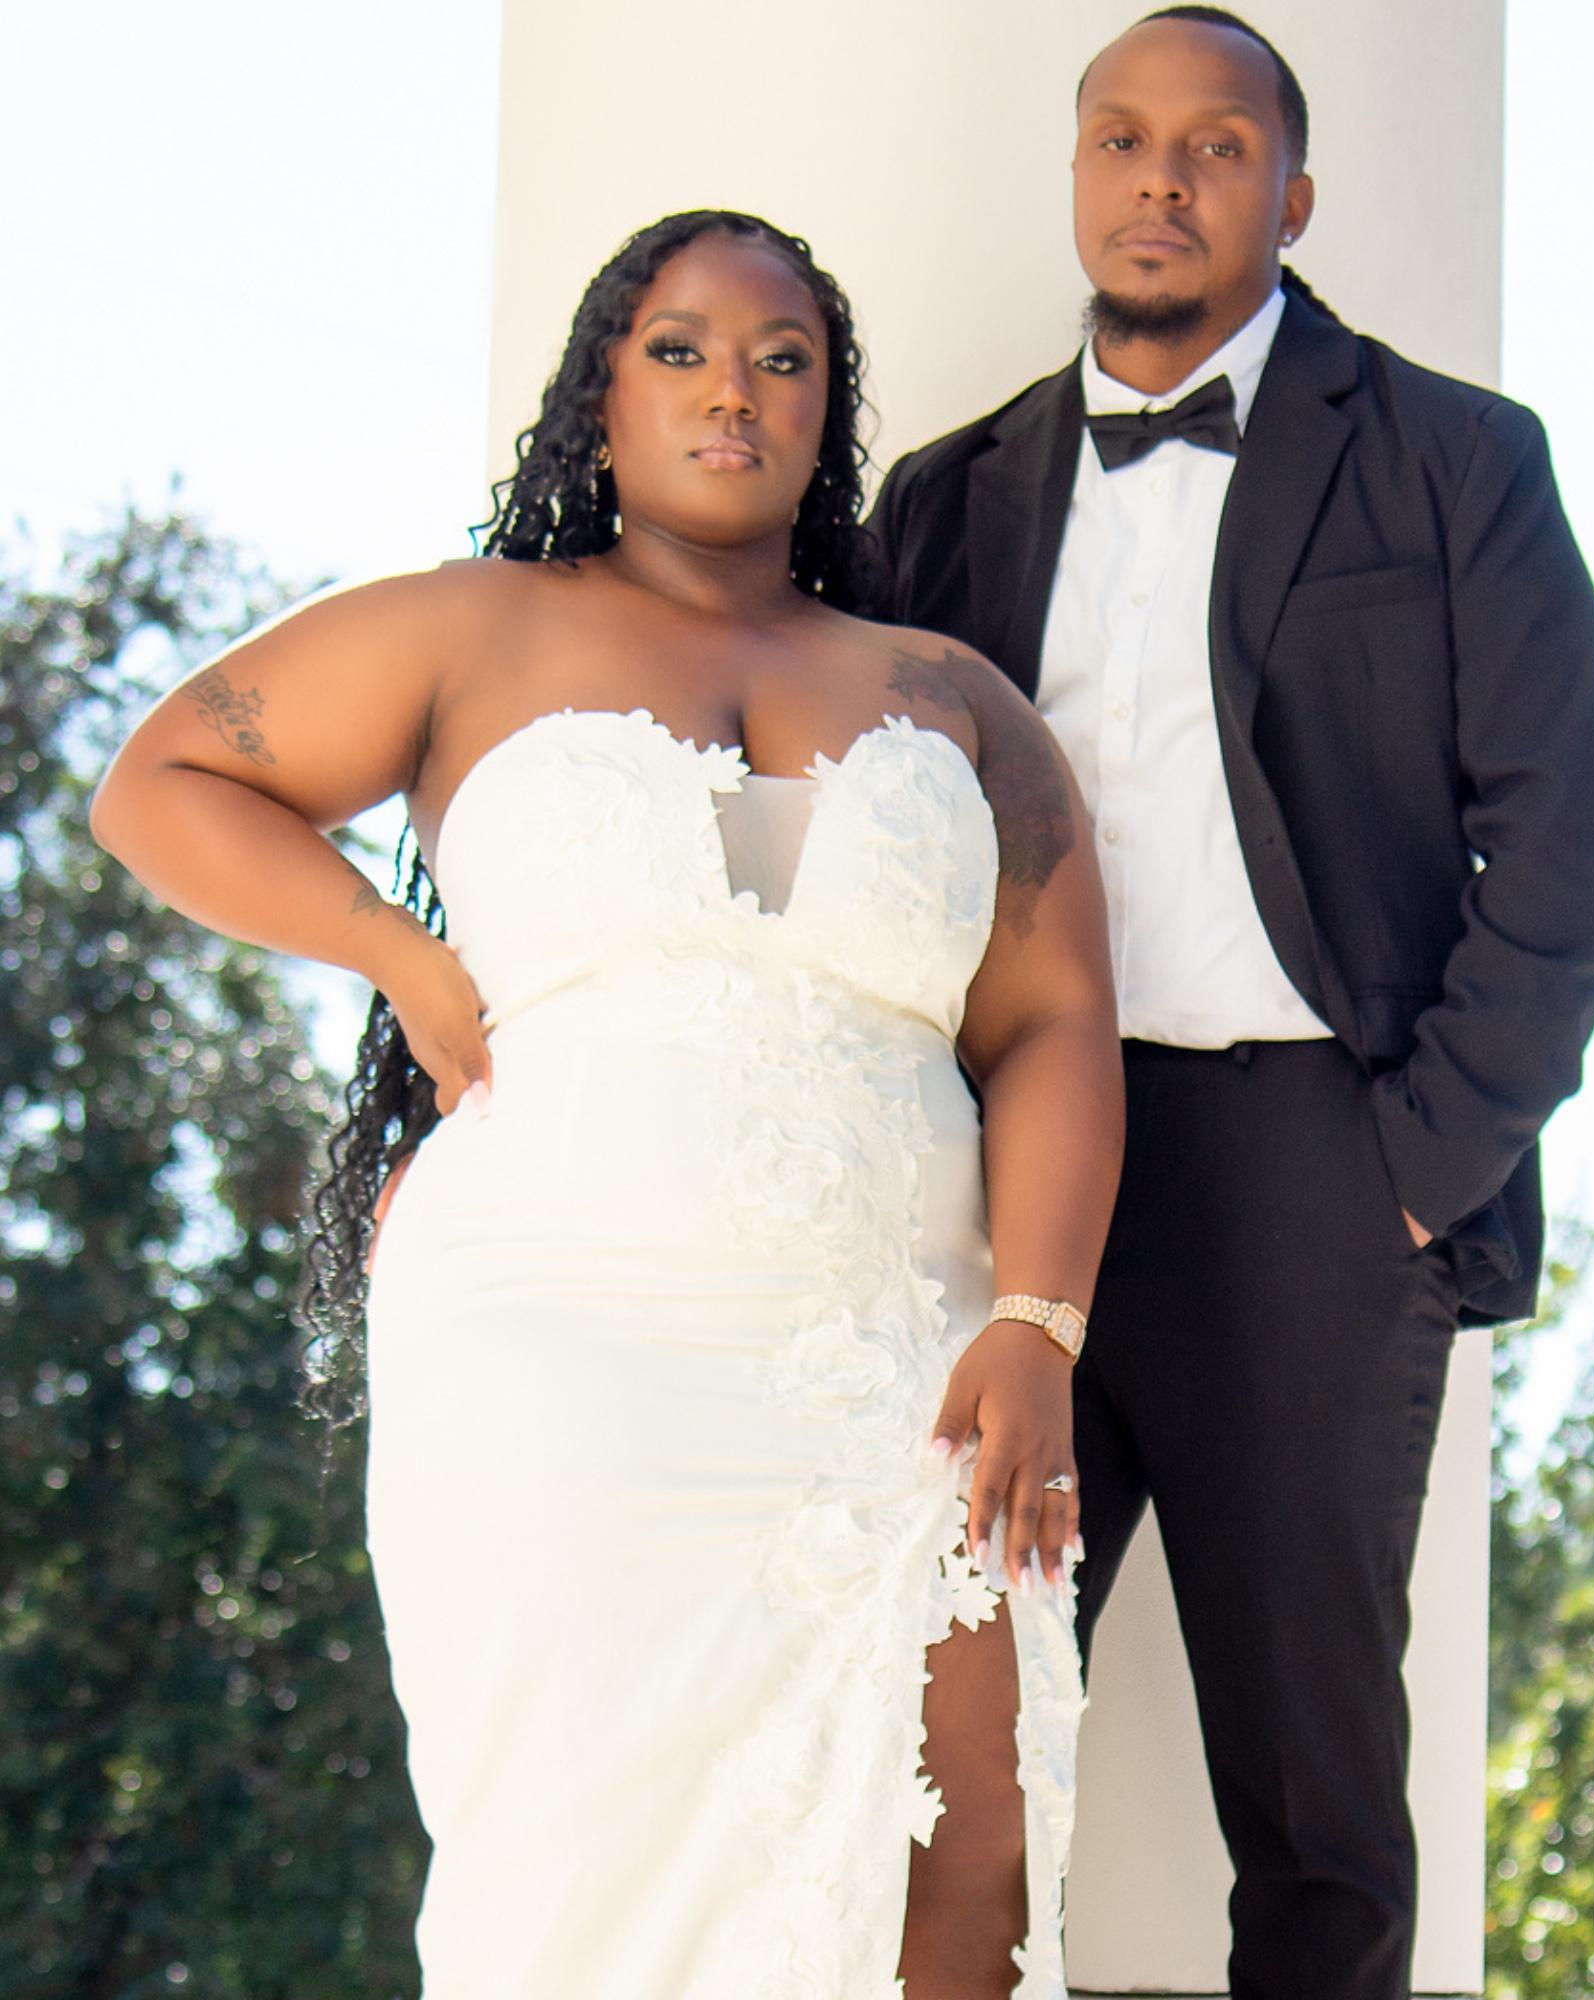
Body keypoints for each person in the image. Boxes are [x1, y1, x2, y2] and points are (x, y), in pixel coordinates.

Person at [89, 208, 1123, 2000]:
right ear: (602, 396)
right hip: (560, 1339)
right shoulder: (470, 626)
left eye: (783, 360)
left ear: (826, 408)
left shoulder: (953, 699)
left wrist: (1038, 1321)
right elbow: (161, 780)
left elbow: (1055, 1023)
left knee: (970, 1854)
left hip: (902, 1348)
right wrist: (396, 955)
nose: (734, 391)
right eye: (681, 350)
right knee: (593, 1844)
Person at [866, 10, 1594, 1997]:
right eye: (1121, 139)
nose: (1162, 178)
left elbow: (1582, 837)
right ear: (1076, 175)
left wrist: (1411, 1166)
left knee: (1315, 1813)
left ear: (1291, 197)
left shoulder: (1454, 462)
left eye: (1215, 146)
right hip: (1003, 1181)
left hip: (1314, 1172)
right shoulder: (946, 498)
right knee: (929, 1741)